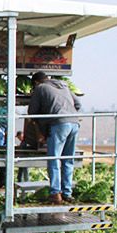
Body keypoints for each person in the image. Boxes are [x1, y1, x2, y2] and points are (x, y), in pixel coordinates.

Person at [27, 71, 81, 204]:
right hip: (74, 123)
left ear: (36, 82)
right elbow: (78, 104)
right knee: (68, 159)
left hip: (59, 124)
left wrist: (41, 127)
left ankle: (55, 193)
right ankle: (67, 193)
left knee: (54, 159)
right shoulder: (63, 84)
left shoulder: (40, 88)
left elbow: (32, 112)